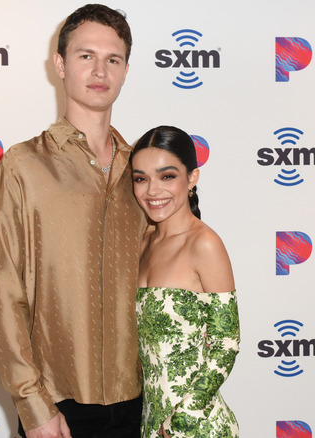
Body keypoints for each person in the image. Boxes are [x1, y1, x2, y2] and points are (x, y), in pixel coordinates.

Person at [0, 5, 147, 438]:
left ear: (126, 70)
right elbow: (4, 292)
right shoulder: (22, 166)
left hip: (142, 403)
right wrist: (33, 404)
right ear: (60, 64)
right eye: (85, 56)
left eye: (113, 59)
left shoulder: (145, 173)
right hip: (58, 406)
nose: (99, 70)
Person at [130, 126, 241, 438]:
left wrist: (181, 422)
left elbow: (225, 344)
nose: (152, 190)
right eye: (141, 178)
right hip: (150, 422)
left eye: (167, 176)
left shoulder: (204, 244)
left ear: (192, 178)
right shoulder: (142, 242)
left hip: (196, 426)